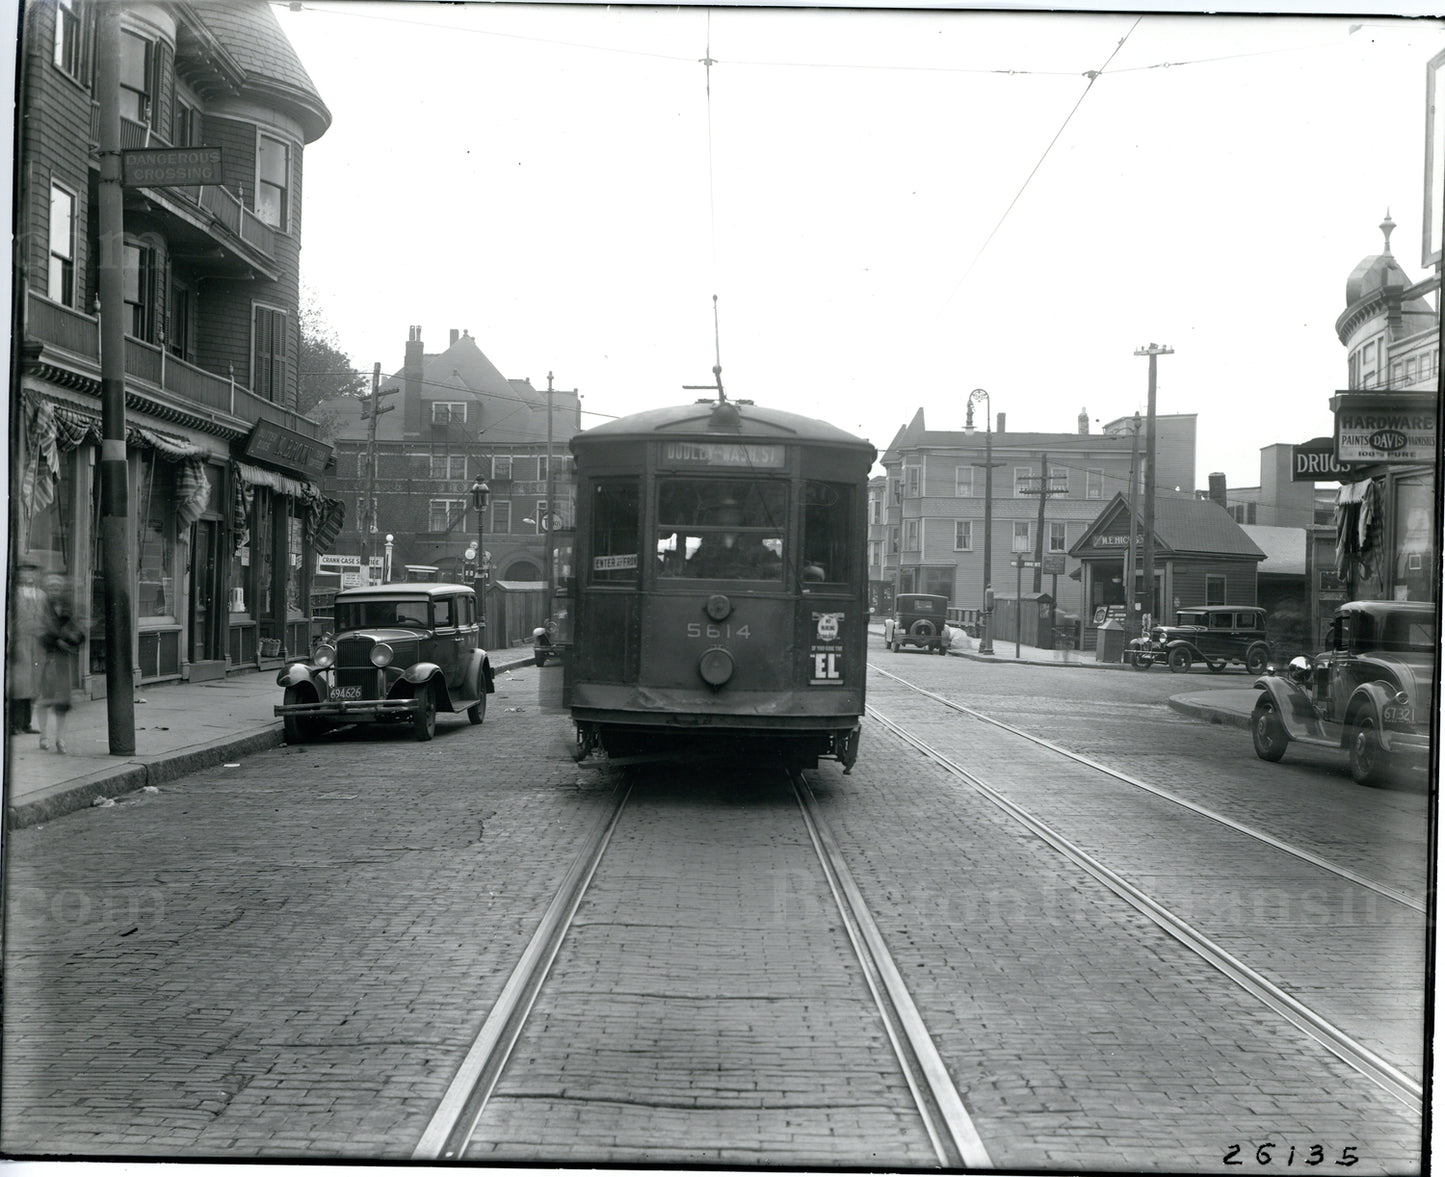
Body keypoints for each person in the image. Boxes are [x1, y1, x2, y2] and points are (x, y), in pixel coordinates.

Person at [36, 575, 83, 754]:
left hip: (63, 661)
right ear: (47, 591)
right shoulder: (42, 609)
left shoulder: (67, 609)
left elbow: (79, 633)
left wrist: (73, 640)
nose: (54, 592)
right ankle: (43, 736)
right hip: (46, 659)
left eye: (57, 589)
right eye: (51, 589)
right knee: (45, 699)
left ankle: (60, 738)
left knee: (62, 702)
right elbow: (38, 631)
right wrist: (57, 642)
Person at [689, 500, 782, 579]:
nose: (729, 515)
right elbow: (693, 573)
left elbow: (772, 573)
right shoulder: (705, 549)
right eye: (725, 511)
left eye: (733, 512)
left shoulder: (756, 548)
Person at [9, 562, 46, 734]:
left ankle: (26, 723)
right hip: (19, 642)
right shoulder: (13, 594)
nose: (28, 576)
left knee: (33, 685)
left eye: (31, 572)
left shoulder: (41, 595)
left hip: (37, 645)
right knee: (18, 685)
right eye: (24, 572)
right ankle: (14, 724)